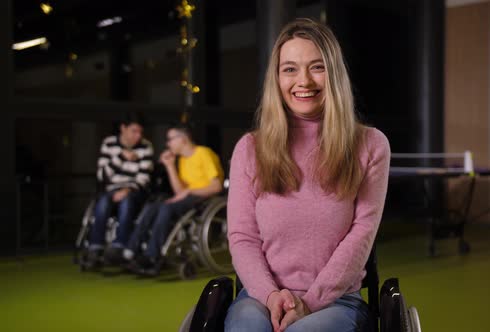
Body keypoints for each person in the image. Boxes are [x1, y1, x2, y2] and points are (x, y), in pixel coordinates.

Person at [225, 18, 391, 332]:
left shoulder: (370, 145)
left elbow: (361, 236)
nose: (304, 81)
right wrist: (271, 295)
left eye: (317, 67)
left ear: (334, 74)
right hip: (260, 297)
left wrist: (310, 302)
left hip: (337, 300)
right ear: (276, 77)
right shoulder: (250, 148)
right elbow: (243, 238)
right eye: (290, 69)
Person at [124, 123, 224, 275]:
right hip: (188, 198)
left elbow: (216, 186)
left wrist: (189, 191)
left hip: (205, 199)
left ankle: (153, 256)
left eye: (170, 139)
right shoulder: (182, 160)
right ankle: (133, 249)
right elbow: (179, 192)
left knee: (166, 208)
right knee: (154, 205)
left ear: (183, 139)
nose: (168, 144)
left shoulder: (203, 153)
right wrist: (170, 166)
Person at [87, 112, 154, 267]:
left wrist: (127, 190)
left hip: (134, 190)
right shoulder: (109, 144)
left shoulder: (146, 147)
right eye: (134, 131)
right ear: (123, 128)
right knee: (102, 202)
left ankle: (119, 245)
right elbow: (102, 175)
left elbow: (143, 178)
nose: (138, 136)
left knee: (126, 201)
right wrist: (121, 157)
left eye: (140, 132)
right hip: (111, 188)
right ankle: (95, 247)